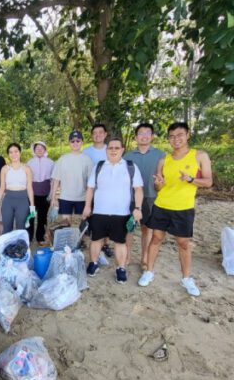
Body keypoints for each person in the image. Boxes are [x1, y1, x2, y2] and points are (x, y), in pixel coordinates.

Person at [139, 122, 213, 296]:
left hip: (183, 208)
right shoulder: (164, 160)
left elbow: (209, 182)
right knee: (156, 238)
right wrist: (158, 184)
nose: (176, 139)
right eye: (172, 136)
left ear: (188, 135)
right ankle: (149, 271)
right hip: (162, 205)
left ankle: (186, 278)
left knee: (183, 243)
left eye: (180, 135)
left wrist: (190, 179)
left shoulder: (199, 156)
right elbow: (159, 187)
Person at [81, 137, 144, 282]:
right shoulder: (99, 166)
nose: (113, 150)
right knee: (96, 239)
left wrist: (138, 208)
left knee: (120, 242)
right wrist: (87, 206)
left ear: (122, 150)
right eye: (110, 148)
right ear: (106, 150)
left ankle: (120, 268)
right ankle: (93, 263)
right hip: (99, 212)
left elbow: (138, 189)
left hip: (121, 213)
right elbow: (90, 188)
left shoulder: (130, 167)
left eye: (117, 148)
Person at [123, 123, 165, 270]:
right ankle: (127, 256)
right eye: (141, 133)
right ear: (136, 137)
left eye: (148, 133)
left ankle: (144, 258)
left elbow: (164, 177)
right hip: (131, 197)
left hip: (151, 196)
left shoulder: (160, 155)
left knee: (146, 229)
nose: (144, 135)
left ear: (152, 137)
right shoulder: (128, 156)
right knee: (129, 227)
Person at [50, 130, 94, 228]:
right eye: (72, 141)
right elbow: (56, 180)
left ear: (82, 142)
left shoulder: (87, 160)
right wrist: (53, 198)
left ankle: (81, 243)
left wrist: (89, 201)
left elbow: (90, 183)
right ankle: (67, 243)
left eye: (78, 141)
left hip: (82, 198)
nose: (75, 143)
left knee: (82, 225)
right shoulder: (62, 159)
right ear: (69, 143)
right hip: (65, 197)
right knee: (66, 224)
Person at [83, 123, 114, 259]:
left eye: (101, 132)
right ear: (91, 135)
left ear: (105, 134)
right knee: (88, 216)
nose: (98, 135)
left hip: (107, 191)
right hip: (90, 190)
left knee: (106, 218)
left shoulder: (111, 150)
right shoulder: (86, 152)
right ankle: (83, 240)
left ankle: (106, 244)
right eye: (95, 132)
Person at [0, 143, 36, 234]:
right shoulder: (5, 169)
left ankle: (21, 248)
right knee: (7, 228)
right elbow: (2, 187)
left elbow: (29, 187)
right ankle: (6, 248)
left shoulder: (27, 169)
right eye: (11, 152)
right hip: (8, 200)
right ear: (8, 155)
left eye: (16, 151)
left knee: (21, 228)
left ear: (20, 152)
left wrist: (32, 205)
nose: (14, 154)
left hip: (22, 200)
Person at [26, 141, 54, 245]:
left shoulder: (50, 162)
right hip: (32, 194)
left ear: (45, 149)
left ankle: (40, 237)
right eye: (37, 148)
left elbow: (53, 180)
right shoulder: (29, 162)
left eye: (41, 148)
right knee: (30, 216)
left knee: (42, 217)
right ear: (34, 150)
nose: (39, 150)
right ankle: (28, 237)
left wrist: (51, 194)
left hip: (45, 193)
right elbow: (26, 179)